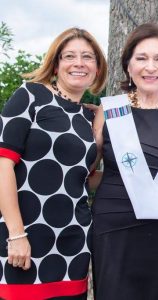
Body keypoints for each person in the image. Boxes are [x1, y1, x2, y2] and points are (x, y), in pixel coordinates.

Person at [0, 27, 107, 300]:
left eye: (88, 57)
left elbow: (81, 179)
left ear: (97, 67)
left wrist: (99, 135)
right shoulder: (31, 96)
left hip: (73, 244)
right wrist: (16, 234)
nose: (79, 63)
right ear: (56, 64)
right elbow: (3, 166)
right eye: (69, 56)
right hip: (24, 240)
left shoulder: (88, 116)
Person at [91, 23, 158, 300]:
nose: (151, 67)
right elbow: (87, 173)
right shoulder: (108, 110)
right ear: (128, 65)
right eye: (141, 58)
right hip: (114, 228)